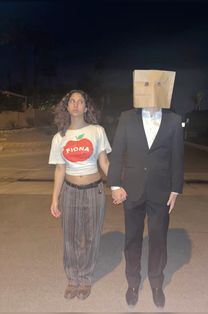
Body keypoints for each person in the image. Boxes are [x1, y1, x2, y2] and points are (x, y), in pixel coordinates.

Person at [107, 70, 184, 308]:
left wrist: (175, 189)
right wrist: (115, 184)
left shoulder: (173, 120)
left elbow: (177, 157)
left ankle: (156, 283)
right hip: (131, 189)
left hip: (161, 191)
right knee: (132, 239)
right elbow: (117, 153)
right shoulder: (127, 117)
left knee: (158, 239)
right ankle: (132, 283)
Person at [49, 89, 111, 300]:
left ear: (86, 107)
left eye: (80, 101)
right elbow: (59, 169)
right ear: (67, 107)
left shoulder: (97, 131)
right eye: (72, 101)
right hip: (70, 192)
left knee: (91, 237)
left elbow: (104, 162)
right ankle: (72, 278)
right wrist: (55, 198)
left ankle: (85, 278)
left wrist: (117, 186)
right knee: (70, 238)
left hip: (95, 191)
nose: (76, 104)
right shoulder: (60, 137)